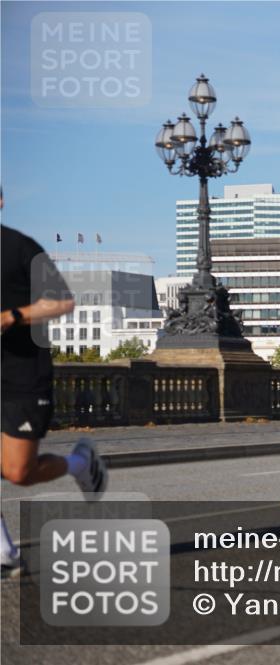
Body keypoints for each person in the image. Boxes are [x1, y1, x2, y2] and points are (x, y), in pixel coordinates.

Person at [2, 190, 108, 579]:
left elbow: (62, 301)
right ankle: (5, 554)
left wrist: (13, 316)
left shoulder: (19, 247)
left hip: (22, 376)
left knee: (18, 472)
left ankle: (81, 462)